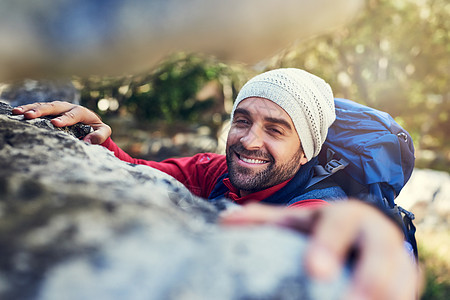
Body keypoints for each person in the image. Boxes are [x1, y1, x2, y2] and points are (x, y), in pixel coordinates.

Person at [12, 68, 421, 299]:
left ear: (306, 153)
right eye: (242, 121)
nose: (249, 140)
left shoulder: (315, 210)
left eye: (276, 130)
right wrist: (97, 137)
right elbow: (139, 170)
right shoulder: (217, 171)